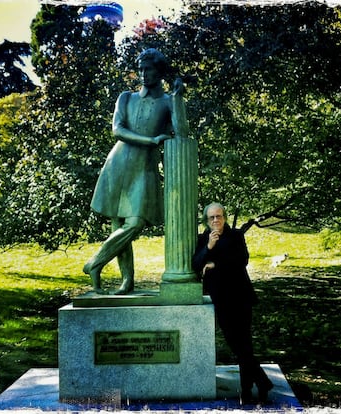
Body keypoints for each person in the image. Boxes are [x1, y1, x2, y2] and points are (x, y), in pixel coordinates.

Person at [83, 49, 182, 294]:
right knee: (118, 224)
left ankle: (95, 262)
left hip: (144, 169)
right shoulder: (125, 98)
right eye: (140, 69)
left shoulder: (168, 101)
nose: (143, 74)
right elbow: (117, 130)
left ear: (159, 71)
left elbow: (181, 132)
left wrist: (178, 99)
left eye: (148, 69)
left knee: (134, 223)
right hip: (117, 164)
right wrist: (151, 141)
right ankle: (127, 281)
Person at [192, 202, 273, 404]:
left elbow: (241, 260)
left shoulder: (236, 235)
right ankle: (262, 382)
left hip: (240, 296)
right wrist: (208, 248)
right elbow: (195, 264)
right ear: (206, 220)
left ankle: (247, 390)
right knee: (235, 344)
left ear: (225, 217)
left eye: (219, 216)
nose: (215, 220)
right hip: (220, 299)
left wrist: (215, 263)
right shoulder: (203, 239)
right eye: (211, 218)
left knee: (244, 344)